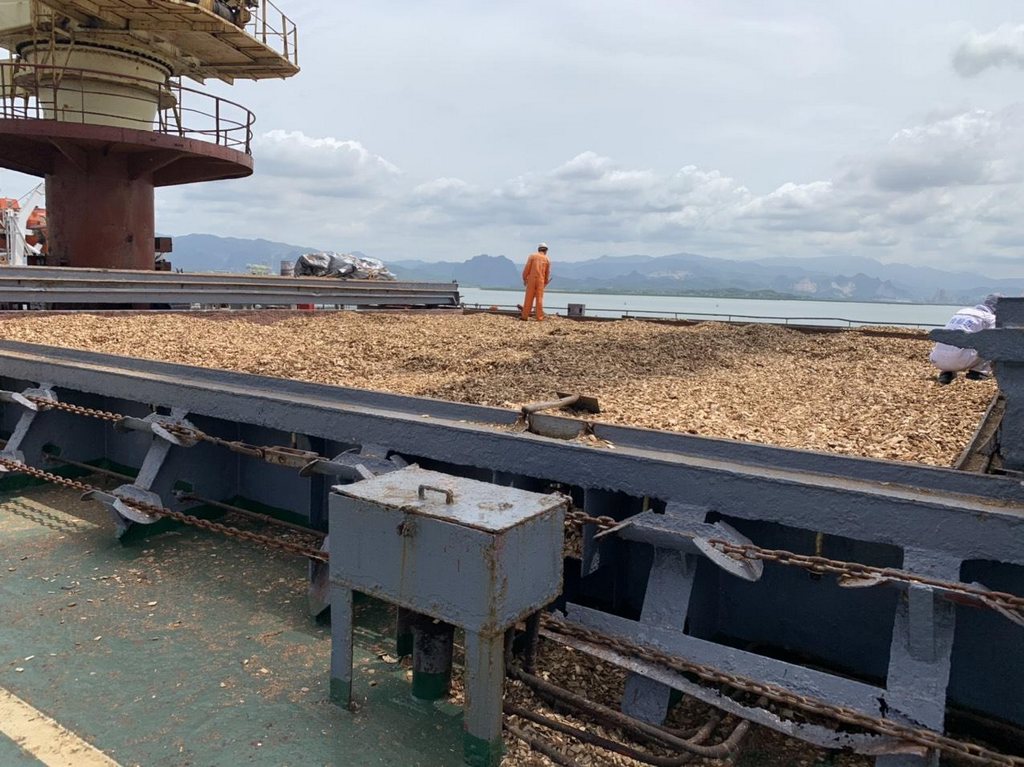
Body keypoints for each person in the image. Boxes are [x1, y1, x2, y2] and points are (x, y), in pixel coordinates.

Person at [930, 294, 1000, 385]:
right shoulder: (990, 318)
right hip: (961, 360)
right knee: (995, 343)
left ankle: (946, 373)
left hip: (937, 359)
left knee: (952, 341)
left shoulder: (962, 311)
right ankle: (978, 372)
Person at [521, 243, 551, 321]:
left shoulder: (532, 256)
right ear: (546, 250)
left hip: (531, 280)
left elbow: (527, 268)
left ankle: (525, 316)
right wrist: (546, 281)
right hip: (541, 280)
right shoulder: (547, 259)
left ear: (538, 249)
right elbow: (547, 272)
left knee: (528, 298)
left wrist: (524, 278)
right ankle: (539, 317)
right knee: (539, 299)